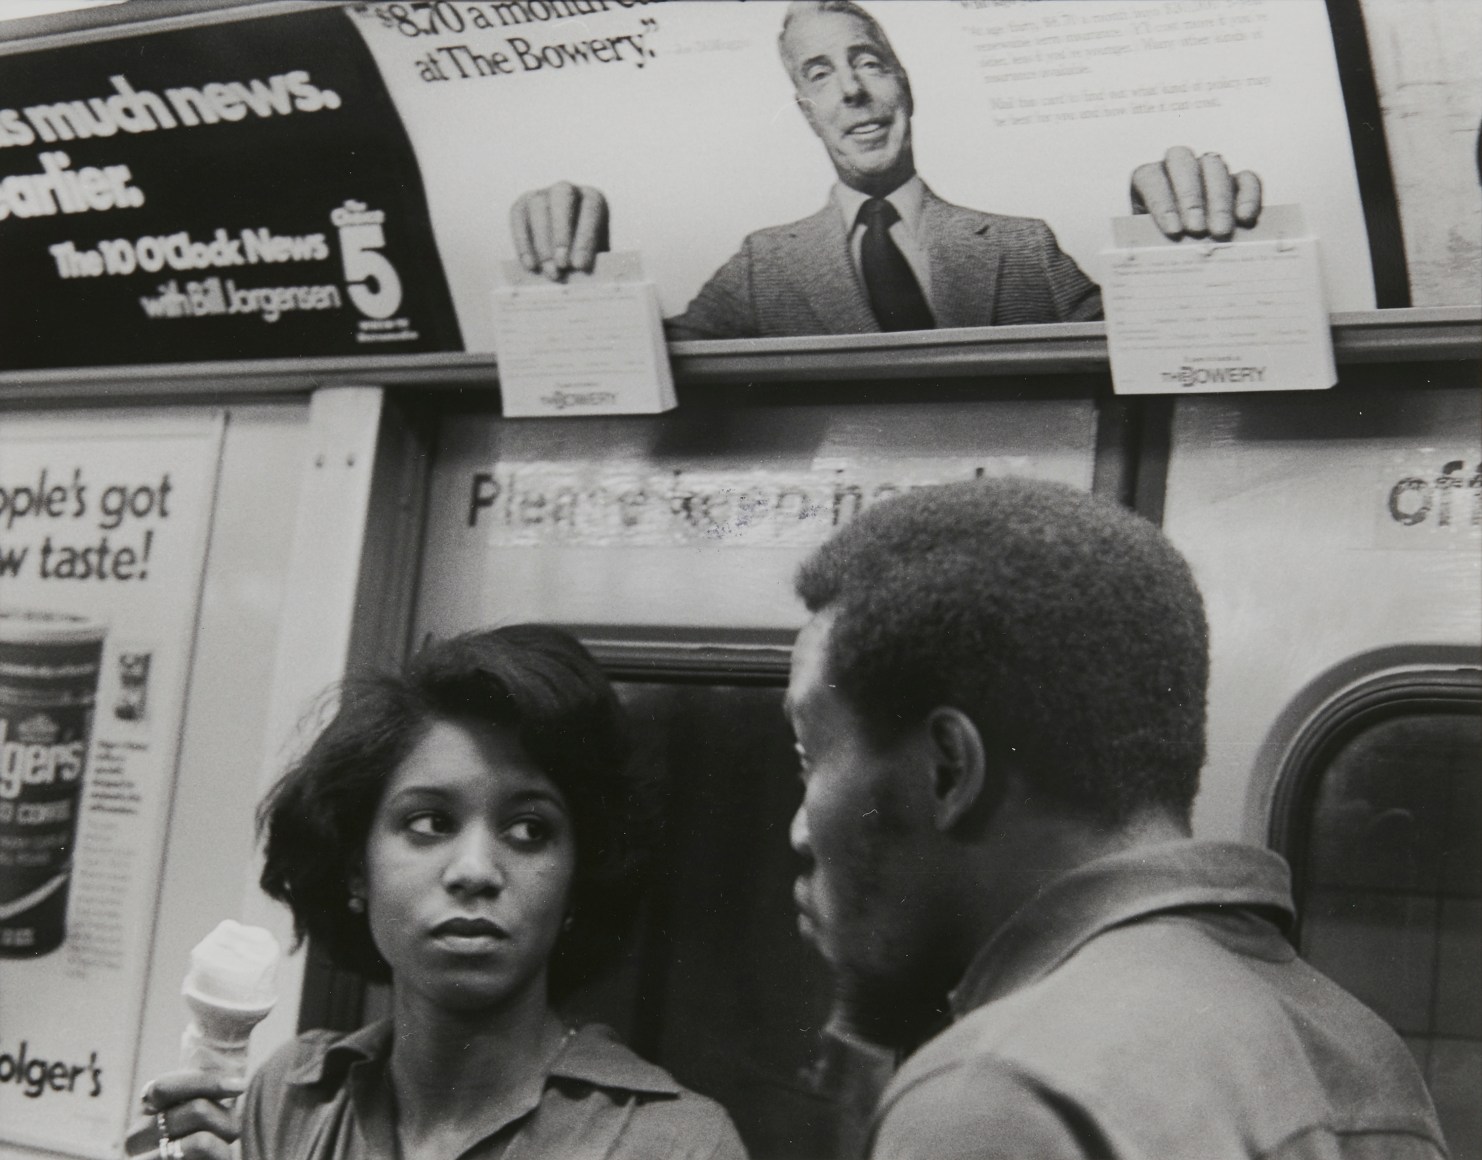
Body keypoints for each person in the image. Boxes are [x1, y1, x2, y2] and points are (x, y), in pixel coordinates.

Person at [784, 478, 1449, 1159]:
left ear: (949, 768)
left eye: (810, 755)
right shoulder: (1360, 1052)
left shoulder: (999, 1091)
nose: (800, 831)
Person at [131, 625, 746, 1160]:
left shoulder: (677, 1144)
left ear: (579, 880)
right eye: (428, 823)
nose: (475, 870)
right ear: (356, 870)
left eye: (529, 830)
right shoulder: (290, 1099)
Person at [509, 0, 1263, 338]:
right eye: (819, 74)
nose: (853, 91)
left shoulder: (1022, 246)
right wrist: (584, 269)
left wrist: (1169, 243)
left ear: (906, 87)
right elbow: (645, 369)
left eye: (869, 64)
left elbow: (1153, 342)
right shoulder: (762, 266)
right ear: (805, 110)